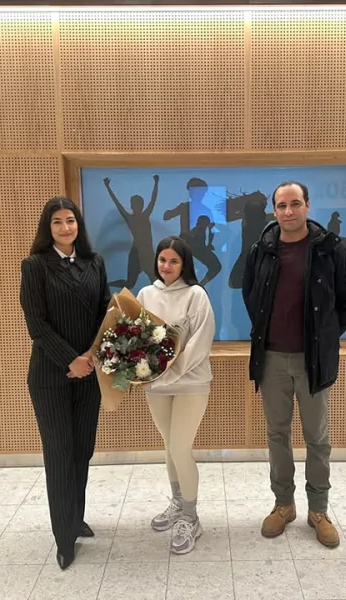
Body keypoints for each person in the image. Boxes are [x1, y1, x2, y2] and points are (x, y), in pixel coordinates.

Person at [242, 181, 346, 548]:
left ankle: (319, 510)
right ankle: (284, 505)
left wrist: (325, 335)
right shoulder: (262, 249)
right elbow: (250, 295)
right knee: (277, 434)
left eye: (295, 203)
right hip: (272, 359)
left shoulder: (329, 249)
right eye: (281, 205)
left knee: (317, 438)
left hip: (313, 361)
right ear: (274, 210)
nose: (288, 211)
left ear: (308, 205)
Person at [19, 197, 111, 570]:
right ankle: (63, 538)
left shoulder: (95, 262)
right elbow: (36, 323)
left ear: (78, 225)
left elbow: (106, 312)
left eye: (70, 220)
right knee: (59, 454)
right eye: (57, 221)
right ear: (48, 227)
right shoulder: (35, 266)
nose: (65, 227)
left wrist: (89, 356)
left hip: (88, 374)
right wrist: (69, 360)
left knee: (82, 450)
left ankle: (75, 517)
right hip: (50, 376)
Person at [136, 236, 216, 555]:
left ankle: (191, 517)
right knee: (170, 447)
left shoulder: (196, 295)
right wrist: (139, 372)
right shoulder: (145, 294)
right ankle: (178, 502)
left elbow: (200, 342)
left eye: (174, 261)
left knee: (181, 447)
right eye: (162, 260)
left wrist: (170, 371)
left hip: (191, 382)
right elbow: (135, 339)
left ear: (184, 265)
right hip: (156, 386)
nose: (166, 266)